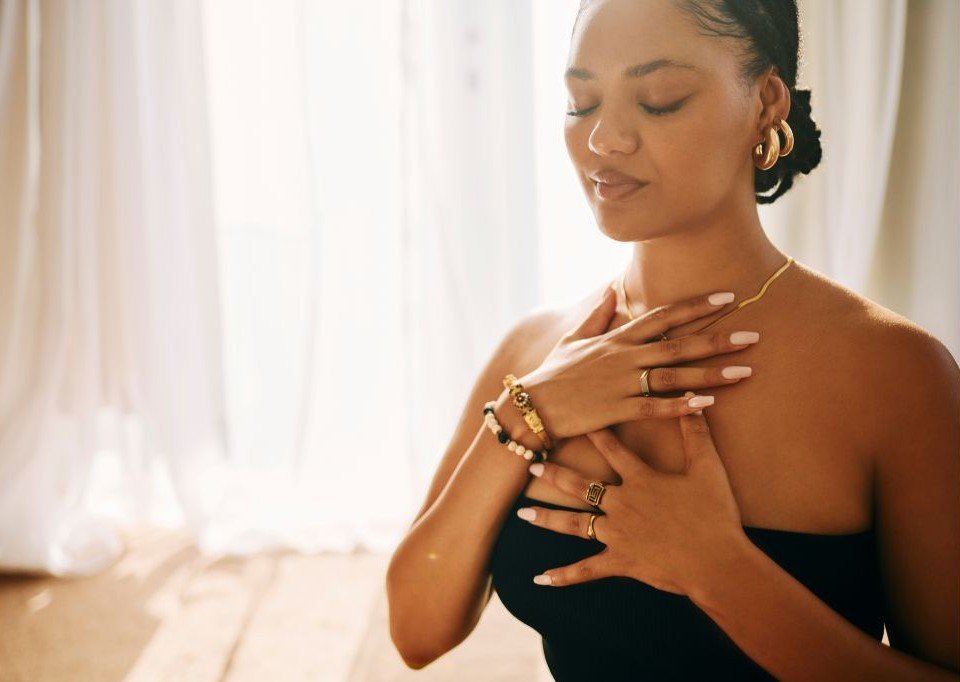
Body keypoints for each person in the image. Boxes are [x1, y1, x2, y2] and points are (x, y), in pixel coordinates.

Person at [386, 0, 960, 679]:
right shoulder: (533, 354)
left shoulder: (892, 371)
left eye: (658, 100)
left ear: (765, 101)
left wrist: (716, 569)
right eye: (581, 102)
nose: (604, 138)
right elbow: (417, 632)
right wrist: (524, 415)